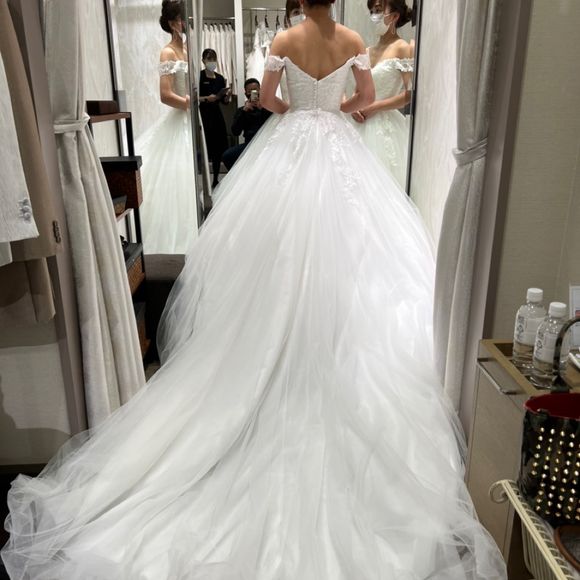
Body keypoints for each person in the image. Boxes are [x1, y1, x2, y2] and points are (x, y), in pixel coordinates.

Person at [1, 1, 508, 578]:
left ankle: (269, 337)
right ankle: (330, 337)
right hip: (339, 145)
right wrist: (336, 109)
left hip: (291, 144)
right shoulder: (351, 39)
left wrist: (298, 110)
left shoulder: (285, 40)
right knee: (352, 246)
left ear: (300, 2)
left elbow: (266, 100)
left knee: (275, 248)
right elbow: (366, 98)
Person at [137, 0, 197, 255]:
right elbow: (165, 95)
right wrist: (189, 103)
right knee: (178, 180)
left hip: (191, 120)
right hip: (180, 120)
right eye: (183, 19)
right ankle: (179, 244)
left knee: (191, 179)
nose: (186, 24)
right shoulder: (168, 52)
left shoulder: (190, 49)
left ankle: (195, 235)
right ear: (173, 23)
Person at [351, 0, 414, 189]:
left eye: (378, 10)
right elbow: (358, 90)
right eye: (371, 11)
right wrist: (354, 108)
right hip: (360, 122)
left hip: (386, 126)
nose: (374, 16)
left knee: (382, 186)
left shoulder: (403, 48)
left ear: (394, 16)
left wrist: (375, 107)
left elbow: (409, 94)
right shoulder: (367, 51)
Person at [222, 78, 272, 170]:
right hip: (249, 144)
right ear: (245, 94)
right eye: (250, 91)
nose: (253, 93)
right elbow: (235, 132)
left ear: (260, 91)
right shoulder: (242, 110)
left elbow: (275, 125)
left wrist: (262, 108)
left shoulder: (268, 108)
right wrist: (244, 112)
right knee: (227, 156)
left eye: (255, 90)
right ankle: (239, 176)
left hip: (266, 143)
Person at [199, 48, 231, 188]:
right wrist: (206, 98)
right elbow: (194, 97)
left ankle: (216, 178)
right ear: (203, 61)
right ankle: (205, 179)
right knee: (206, 146)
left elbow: (223, 101)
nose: (212, 62)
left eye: (213, 59)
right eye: (209, 59)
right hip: (204, 115)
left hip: (217, 115)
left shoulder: (220, 78)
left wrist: (226, 97)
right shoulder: (199, 77)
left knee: (218, 147)